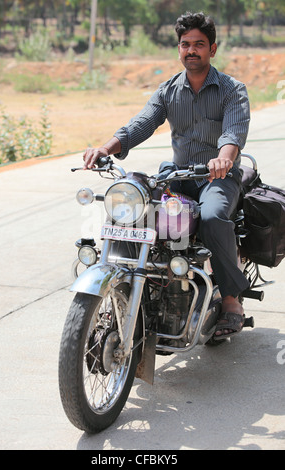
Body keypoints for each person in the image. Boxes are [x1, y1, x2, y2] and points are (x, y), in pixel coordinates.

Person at [83, 12, 251, 340]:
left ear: (212, 49)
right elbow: (141, 123)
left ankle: (231, 301)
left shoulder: (233, 90)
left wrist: (223, 159)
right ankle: (132, 285)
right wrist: (106, 148)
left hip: (218, 177)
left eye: (199, 45)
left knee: (214, 217)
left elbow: (233, 133)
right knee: (135, 210)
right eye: (185, 44)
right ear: (178, 50)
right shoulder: (168, 90)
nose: (192, 50)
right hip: (177, 176)